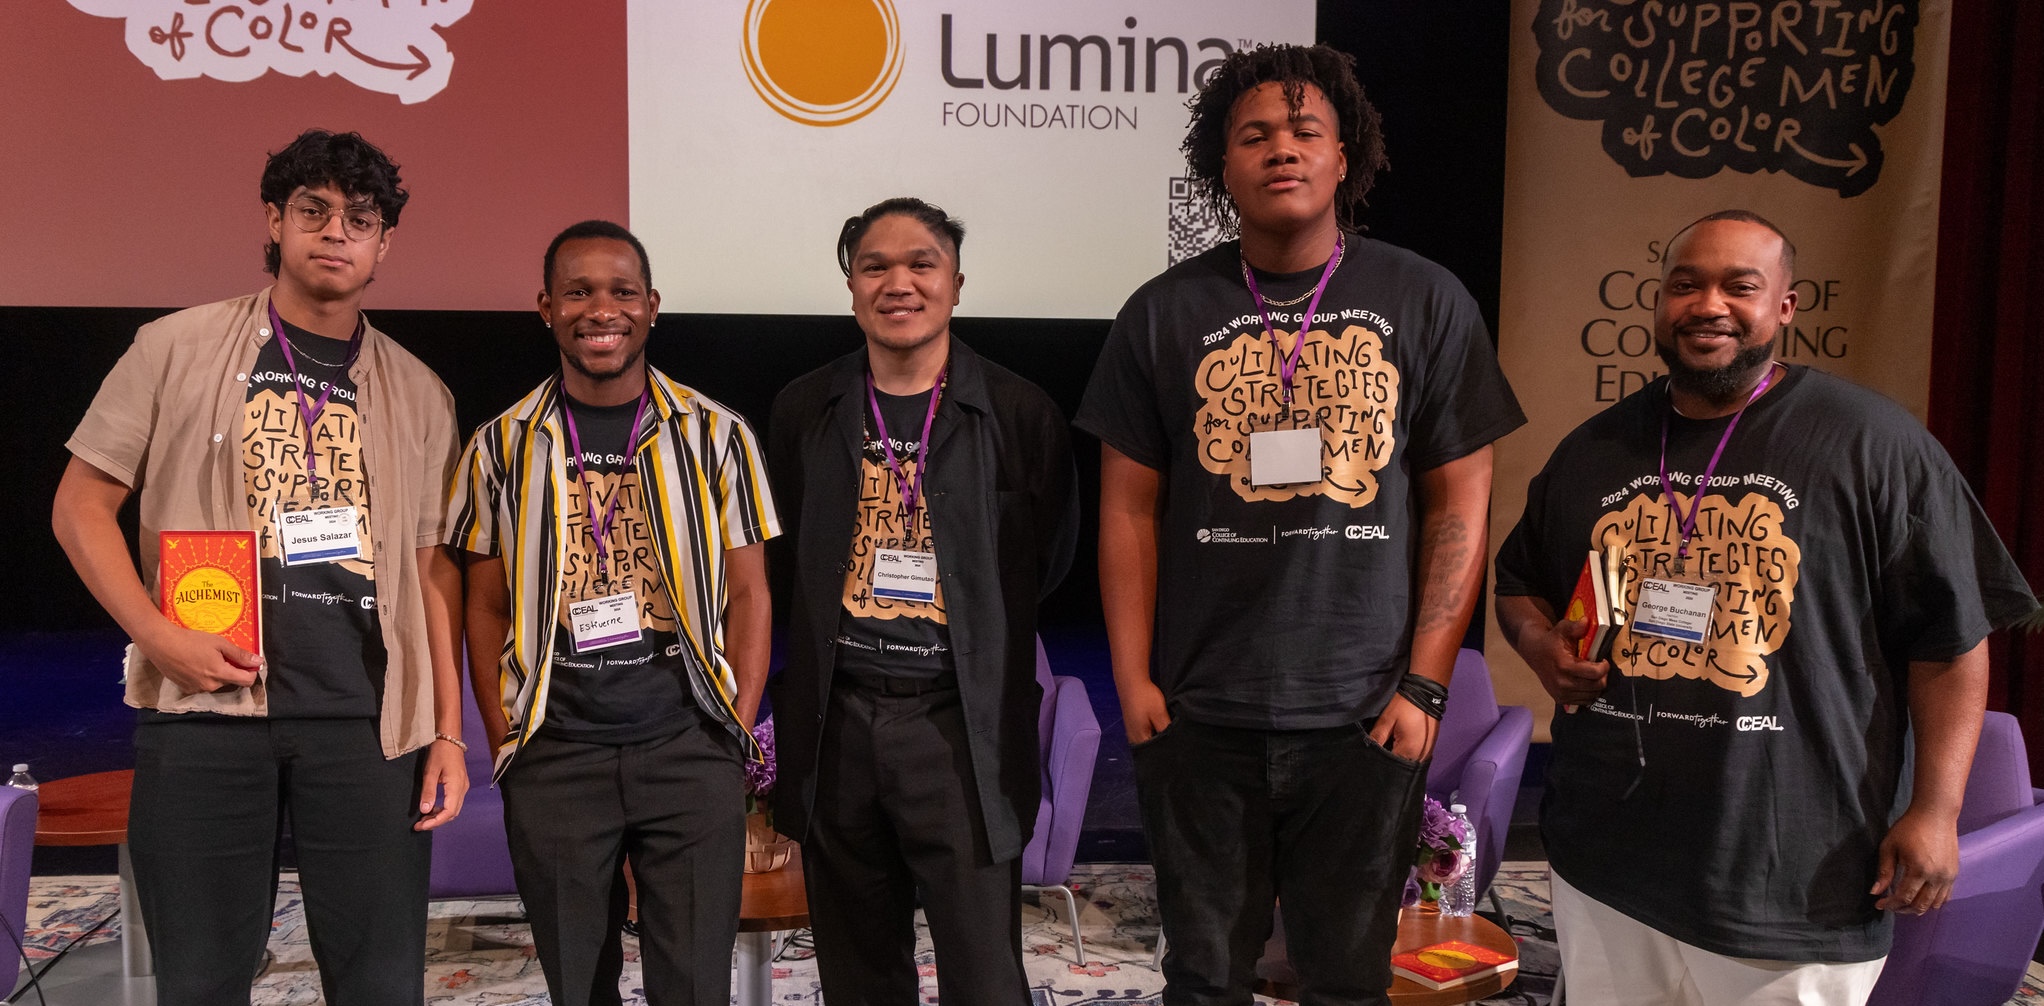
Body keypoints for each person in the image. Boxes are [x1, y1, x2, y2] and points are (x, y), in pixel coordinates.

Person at [1495, 210, 2039, 1005]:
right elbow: (1518, 582)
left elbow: (1951, 642)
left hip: (1795, 878)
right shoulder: (1596, 449)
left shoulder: (1873, 446)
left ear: (1784, 306)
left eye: (1738, 286)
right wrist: (1543, 648)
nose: (1707, 304)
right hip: (1609, 856)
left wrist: (1936, 810)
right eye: (1685, 284)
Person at [1075, 44, 1525, 1005]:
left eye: (1305, 130)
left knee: (1345, 980)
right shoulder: (1162, 312)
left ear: (1345, 156)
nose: (1283, 148)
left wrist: (1427, 687)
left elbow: (1460, 505)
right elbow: (1127, 509)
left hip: (1364, 716)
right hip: (1199, 713)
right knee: (1202, 977)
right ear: (1221, 168)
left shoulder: (1426, 299)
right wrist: (1131, 682)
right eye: (1255, 135)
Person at [51, 128, 468, 1006]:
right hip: (205, 712)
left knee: (382, 984)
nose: (336, 232)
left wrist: (446, 729)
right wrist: (159, 636)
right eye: (313, 210)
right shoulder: (173, 348)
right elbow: (80, 506)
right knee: (200, 982)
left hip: (366, 724)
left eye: (361, 218)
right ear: (275, 221)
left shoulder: (421, 392)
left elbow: (434, 569)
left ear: (385, 242)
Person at [446, 220, 779, 1006]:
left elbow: (753, 593)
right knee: (577, 984)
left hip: (687, 747)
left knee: (695, 986)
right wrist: (506, 742)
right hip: (557, 755)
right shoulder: (499, 446)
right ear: (546, 309)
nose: (603, 308)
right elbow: (484, 604)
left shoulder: (717, 434)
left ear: (652, 306)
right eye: (579, 292)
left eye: (623, 291)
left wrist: (734, 726)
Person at [767, 197, 1078, 1004]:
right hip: (842, 723)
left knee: (982, 975)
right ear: (851, 287)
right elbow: (788, 554)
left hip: (958, 729)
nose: (897, 282)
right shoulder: (806, 409)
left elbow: (1047, 556)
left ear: (957, 284)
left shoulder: (1017, 412)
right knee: (859, 974)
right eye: (875, 266)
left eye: (920, 265)